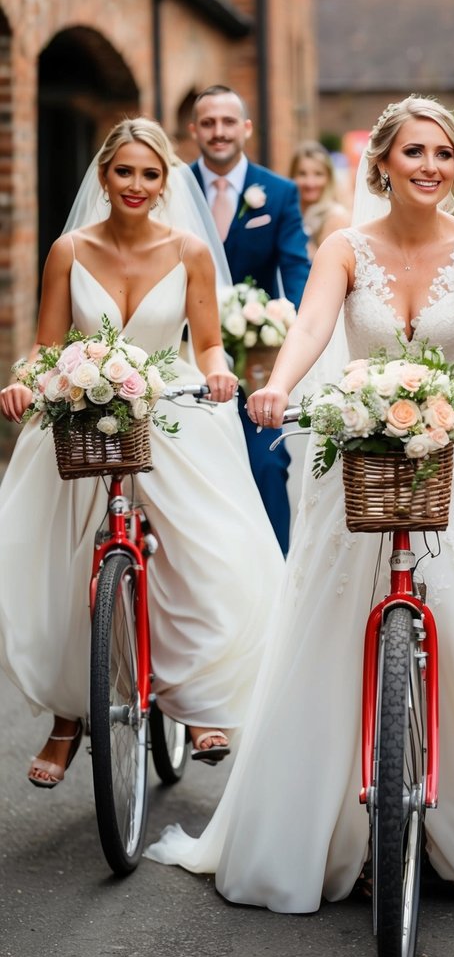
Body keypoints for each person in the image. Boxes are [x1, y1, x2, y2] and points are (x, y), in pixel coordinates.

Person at [145, 94, 454, 907]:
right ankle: (331, 818)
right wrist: (277, 386)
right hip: (361, 456)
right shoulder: (344, 246)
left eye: (443, 154)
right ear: (382, 163)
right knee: (330, 624)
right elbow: (309, 327)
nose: (431, 167)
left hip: (451, 454)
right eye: (414, 153)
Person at [0, 117, 283, 785]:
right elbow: (47, 346)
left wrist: (217, 371)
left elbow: (206, 342)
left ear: (165, 184)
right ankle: (69, 717)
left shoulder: (188, 250)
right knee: (64, 561)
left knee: (206, 547)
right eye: (123, 171)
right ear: (104, 176)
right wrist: (23, 380)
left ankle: (200, 702)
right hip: (82, 406)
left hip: (170, 404)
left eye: (149, 174)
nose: (135, 184)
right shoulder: (68, 250)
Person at [189, 85, 311, 553]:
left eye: (227, 122)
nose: (218, 132)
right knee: (196, 471)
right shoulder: (173, 186)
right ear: (194, 130)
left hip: (258, 360)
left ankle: (278, 572)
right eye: (208, 123)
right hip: (188, 357)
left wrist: (297, 321)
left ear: (245, 129)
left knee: (266, 464)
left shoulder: (279, 194)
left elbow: (295, 266)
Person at [288, 140, 350, 257]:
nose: (310, 183)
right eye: (302, 174)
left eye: (318, 174)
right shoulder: (289, 211)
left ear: (329, 177)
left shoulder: (335, 216)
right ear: (292, 176)